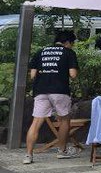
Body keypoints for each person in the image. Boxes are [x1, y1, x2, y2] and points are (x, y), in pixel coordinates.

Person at [23, 29, 80, 164]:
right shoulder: (68, 53)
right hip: (60, 90)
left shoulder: (40, 52)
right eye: (72, 43)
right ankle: (62, 151)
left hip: (41, 90)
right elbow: (73, 74)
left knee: (36, 122)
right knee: (64, 120)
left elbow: (32, 75)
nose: (72, 46)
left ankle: (28, 156)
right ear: (67, 42)